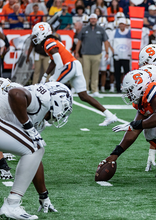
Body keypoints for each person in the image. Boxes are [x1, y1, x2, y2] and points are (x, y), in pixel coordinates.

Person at [0, 80, 72, 219]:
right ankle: (12, 205)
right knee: (35, 148)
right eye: (65, 108)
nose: (62, 114)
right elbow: (15, 94)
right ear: (57, 101)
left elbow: (33, 160)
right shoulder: (41, 99)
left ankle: (13, 204)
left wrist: (43, 195)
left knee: (34, 149)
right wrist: (28, 126)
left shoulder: (39, 116)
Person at [32, 22, 118, 126]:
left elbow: (59, 64)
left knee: (50, 90)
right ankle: (109, 115)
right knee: (83, 95)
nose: (35, 37)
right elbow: (54, 61)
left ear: (43, 33)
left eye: (37, 34)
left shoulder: (48, 42)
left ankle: (46, 120)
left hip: (69, 65)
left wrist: (54, 80)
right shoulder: (51, 41)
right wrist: (45, 76)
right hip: (74, 64)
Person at [75, 13, 109, 97]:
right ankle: (85, 89)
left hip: (97, 54)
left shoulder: (101, 29)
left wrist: (107, 52)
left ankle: (95, 90)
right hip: (86, 54)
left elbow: (106, 41)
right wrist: (76, 52)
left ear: (96, 20)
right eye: (91, 19)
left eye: (94, 19)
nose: (93, 20)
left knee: (95, 73)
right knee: (85, 72)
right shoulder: (84, 29)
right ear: (89, 20)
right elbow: (79, 41)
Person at [112, 17, 131, 93]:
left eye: (123, 24)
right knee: (117, 73)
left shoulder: (129, 32)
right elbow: (110, 43)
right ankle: (118, 88)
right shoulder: (114, 32)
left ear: (125, 25)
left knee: (127, 73)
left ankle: (127, 88)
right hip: (117, 56)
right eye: (120, 24)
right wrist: (113, 52)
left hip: (127, 56)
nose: (122, 25)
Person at [97, 17, 115, 93]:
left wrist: (111, 50)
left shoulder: (109, 31)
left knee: (112, 70)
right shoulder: (97, 31)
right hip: (101, 51)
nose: (102, 25)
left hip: (108, 51)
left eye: (103, 24)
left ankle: (111, 86)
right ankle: (102, 87)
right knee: (102, 70)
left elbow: (109, 42)